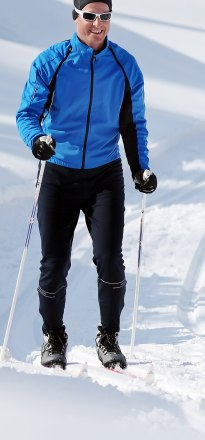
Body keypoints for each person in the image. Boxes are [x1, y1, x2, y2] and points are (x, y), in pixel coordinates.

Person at [16, 0, 156, 369]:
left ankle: (108, 337)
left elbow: (133, 124)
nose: (98, 24)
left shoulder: (125, 65)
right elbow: (28, 113)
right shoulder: (53, 61)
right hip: (58, 173)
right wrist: (37, 139)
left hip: (103, 174)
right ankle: (53, 335)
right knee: (54, 263)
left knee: (110, 261)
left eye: (105, 17)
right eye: (90, 16)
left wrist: (140, 168)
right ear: (75, 16)